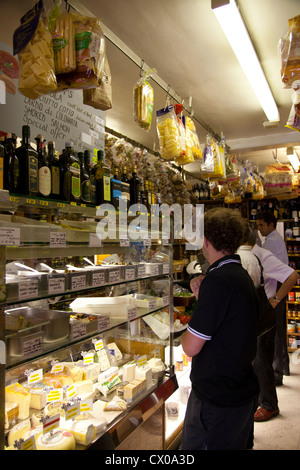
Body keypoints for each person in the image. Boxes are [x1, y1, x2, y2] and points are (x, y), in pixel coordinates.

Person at [181, 207, 259, 450]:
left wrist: (184, 331)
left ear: (205, 241)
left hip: (217, 400)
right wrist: (202, 298)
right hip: (239, 389)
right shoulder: (238, 275)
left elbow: (191, 347)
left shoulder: (218, 280)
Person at [237, 225, 299, 423]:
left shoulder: (263, 255)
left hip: (265, 313)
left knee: (263, 363)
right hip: (254, 313)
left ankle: (270, 405)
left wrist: (276, 300)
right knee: (254, 361)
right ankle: (258, 400)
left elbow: (292, 276)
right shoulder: (245, 256)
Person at [256, 210, 290, 386]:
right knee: (279, 330)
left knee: (274, 333)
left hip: (276, 289)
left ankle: (276, 373)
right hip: (279, 287)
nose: (259, 228)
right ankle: (283, 367)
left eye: (262, 225)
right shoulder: (274, 239)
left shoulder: (271, 242)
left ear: (271, 224)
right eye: (258, 225)